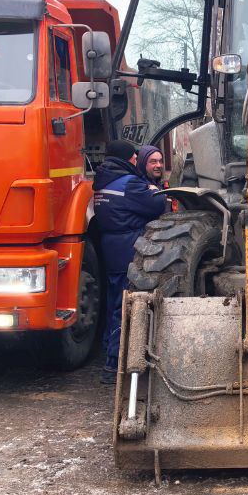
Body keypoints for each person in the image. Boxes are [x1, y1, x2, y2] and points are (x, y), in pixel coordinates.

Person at [92, 139, 169, 383]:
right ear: (129, 159)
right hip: (128, 246)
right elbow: (157, 204)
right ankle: (114, 365)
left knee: (113, 301)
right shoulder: (130, 183)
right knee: (124, 305)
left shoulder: (103, 182)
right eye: (135, 157)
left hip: (109, 246)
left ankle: (109, 351)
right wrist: (156, 191)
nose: (136, 160)